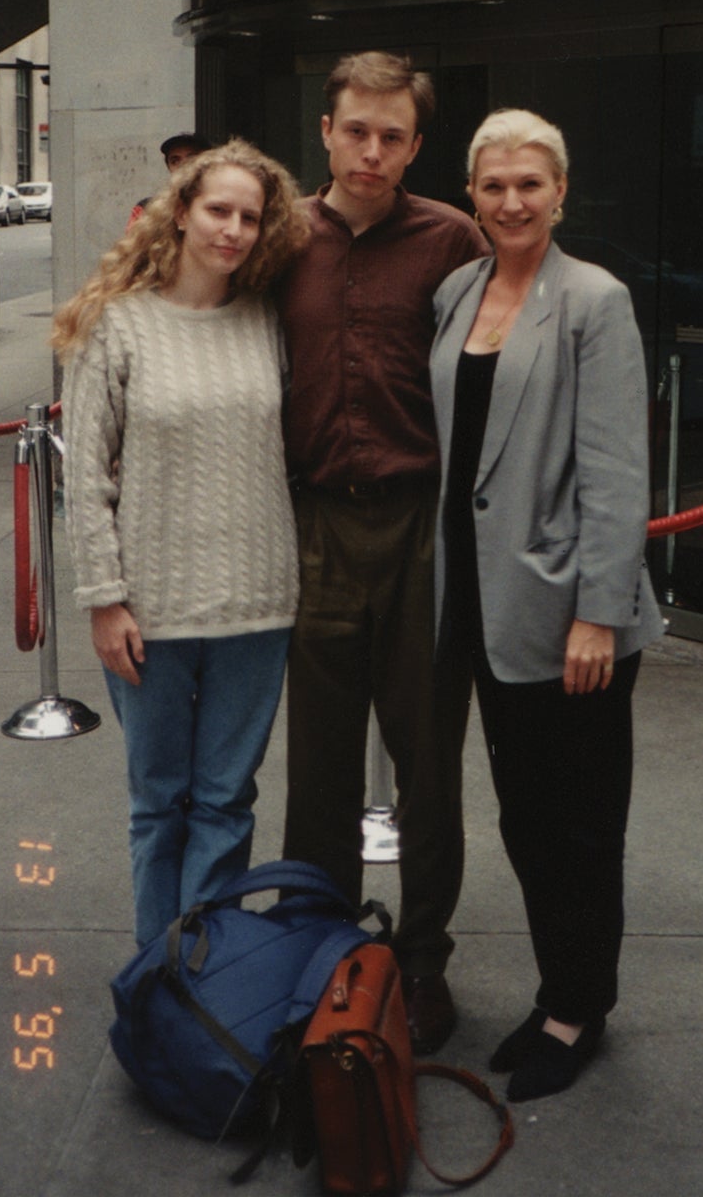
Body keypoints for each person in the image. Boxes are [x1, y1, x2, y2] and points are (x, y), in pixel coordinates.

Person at [430, 109, 663, 1102]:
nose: (513, 201)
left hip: (571, 615)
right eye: (494, 186)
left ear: (561, 192)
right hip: (479, 609)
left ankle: (580, 1008)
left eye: (531, 184)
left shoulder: (594, 301)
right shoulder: (456, 290)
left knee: (580, 822)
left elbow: (615, 471)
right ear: (472, 195)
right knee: (525, 817)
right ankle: (557, 984)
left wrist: (599, 613)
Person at [274, 51, 488, 1055]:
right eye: (355, 128)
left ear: (415, 141)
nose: (371, 150)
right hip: (313, 526)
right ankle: (317, 959)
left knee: (428, 767)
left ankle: (424, 963)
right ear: (325, 128)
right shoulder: (279, 236)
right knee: (315, 768)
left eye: (392, 134)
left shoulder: (455, 240)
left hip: (421, 529)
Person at [54, 139, 310, 948]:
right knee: (159, 804)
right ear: (182, 213)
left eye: (249, 216)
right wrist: (104, 600)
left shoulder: (268, 319)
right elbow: (84, 477)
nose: (232, 229)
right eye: (217, 210)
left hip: (257, 607)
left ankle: (204, 980)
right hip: (150, 613)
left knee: (227, 803)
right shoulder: (118, 325)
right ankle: (154, 984)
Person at [128, 132, 212, 228]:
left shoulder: (221, 203)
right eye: (175, 161)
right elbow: (133, 242)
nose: (183, 165)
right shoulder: (147, 209)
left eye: (191, 158)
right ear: (169, 167)